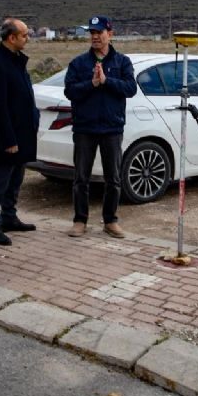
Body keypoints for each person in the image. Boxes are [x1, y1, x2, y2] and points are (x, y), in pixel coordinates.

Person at [64, 15, 137, 238]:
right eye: (92, 33)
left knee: (113, 179)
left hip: (111, 129)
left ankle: (110, 220)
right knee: (81, 178)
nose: (95, 36)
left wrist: (106, 81)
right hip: (85, 129)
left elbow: (130, 89)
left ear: (110, 34)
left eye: (99, 32)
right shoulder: (78, 63)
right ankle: (80, 220)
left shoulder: (122, 62)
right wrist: (92, 83)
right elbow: (70, 91)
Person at [0, 18, 40, 246]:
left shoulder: (16, 61)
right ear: (11, 37)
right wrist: (8, 139)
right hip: (8, 136)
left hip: (23, 132)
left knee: (15, 179)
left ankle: (9, 217)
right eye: (24, 35)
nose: (28, 38)